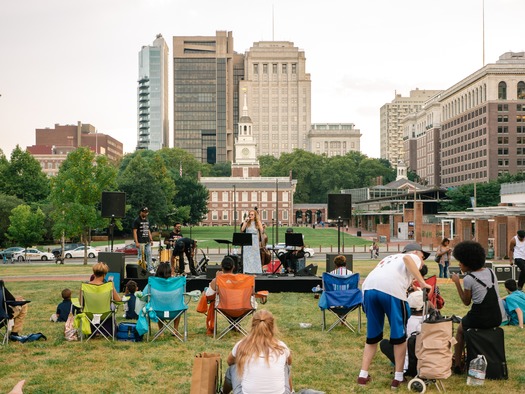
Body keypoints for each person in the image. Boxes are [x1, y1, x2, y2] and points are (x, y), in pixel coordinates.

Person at [357, 243, 431, 390]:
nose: (423, 261)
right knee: (399, 337)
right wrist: (422, 283)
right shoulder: (411, 256)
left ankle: (363, 375)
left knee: (372, 336)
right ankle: (398, 377)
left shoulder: (389, 258)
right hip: (391, 291)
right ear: (416, 252)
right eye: (423, 256)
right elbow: (408, 261)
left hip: (369, 289)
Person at [450, 240, 505, 374]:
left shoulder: (469, 278)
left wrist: (457, 282)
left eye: (461, 262)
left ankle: (457, 364)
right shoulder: (491, 272)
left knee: (460, 330)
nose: (459, 264)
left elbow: (466, 302)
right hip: (497, 317)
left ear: (468, 263)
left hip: (479, 317)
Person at [222, 310, 293, 394]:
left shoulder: (241, 345)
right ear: (272, 327)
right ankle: (291, 392)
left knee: (233, 368)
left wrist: (244, 363)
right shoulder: (282, 347)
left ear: (252, 325)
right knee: (286, 367)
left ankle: (223, 392)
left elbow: (230, 362)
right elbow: (289, 362)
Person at [380, 289, 424, 376]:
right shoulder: (431, 321)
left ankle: (398, 364)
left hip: (408, 366)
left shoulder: (404, 321)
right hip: (428, 365)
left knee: (385, 343)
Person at [203, 256, 236, 336]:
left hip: (223, 307)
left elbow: (208, 295)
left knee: (213, 302)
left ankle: (234, 324)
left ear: (221, 267)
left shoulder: (217, 280)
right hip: (241, 307)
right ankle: (235, 324)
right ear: (233, 267)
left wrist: (216, 278)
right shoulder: (241, 280)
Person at [240, 210, 263, 274]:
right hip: (248, 238)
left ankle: (254, 271)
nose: (251, 216)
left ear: (255, 216)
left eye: (252, 214)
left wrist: (259, 223)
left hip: (255, 239)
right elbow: (242, 229)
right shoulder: (247, 222)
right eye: (250, 214)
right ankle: (247, 271)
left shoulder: (257, 222)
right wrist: (245, 221)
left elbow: (262, 230)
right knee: (247, 256)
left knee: (254, 256)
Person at [133, 206, 154, 273]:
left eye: (146, 212)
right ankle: (141, 268)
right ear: (141, 212)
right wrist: (136, 242)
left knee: (149, 253)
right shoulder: (137, 220)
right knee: (141, 255)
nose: (145, 214)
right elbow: (134, 231)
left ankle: (150, 268)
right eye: (144, 212)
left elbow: (148, 230)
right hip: (140, 241)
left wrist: (151, 239)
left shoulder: (147, 220)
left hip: (147, 240)